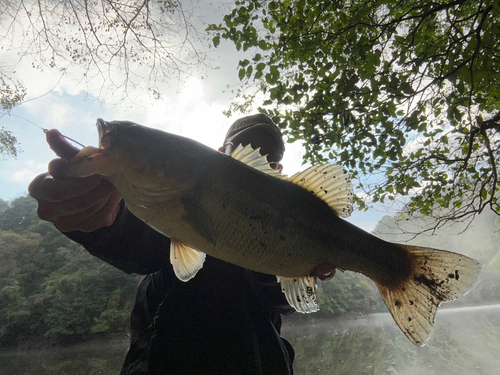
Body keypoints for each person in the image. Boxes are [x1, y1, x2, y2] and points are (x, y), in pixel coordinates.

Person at [29, 114, 336, 374]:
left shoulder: (296, 224)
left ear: (279, 171)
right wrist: (100, 222)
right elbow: (138, 242)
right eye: (244, 148)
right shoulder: (172, 207)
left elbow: (284, 302)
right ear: (220, 152)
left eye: (269, 156)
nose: (258, 158)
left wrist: (296, 260)